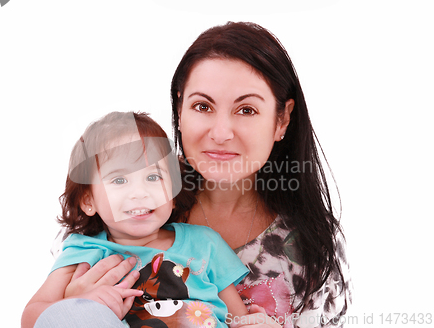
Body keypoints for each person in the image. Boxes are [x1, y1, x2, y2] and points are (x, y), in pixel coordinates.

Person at [29, 22, 352, 328]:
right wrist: (73, 306)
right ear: (180, 111)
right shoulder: (116, 215)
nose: (221, 132)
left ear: (281, 120)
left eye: (246, 110)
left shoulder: (311, 243)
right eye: (202, 106)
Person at [22, 111, 270, 328]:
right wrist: (78, 305)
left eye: (153, 177)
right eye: (119, 180)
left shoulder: (205, 243)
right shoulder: (85, 250)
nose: (139, 193)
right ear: (89, 200)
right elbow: (32, 318)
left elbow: (237, 318)